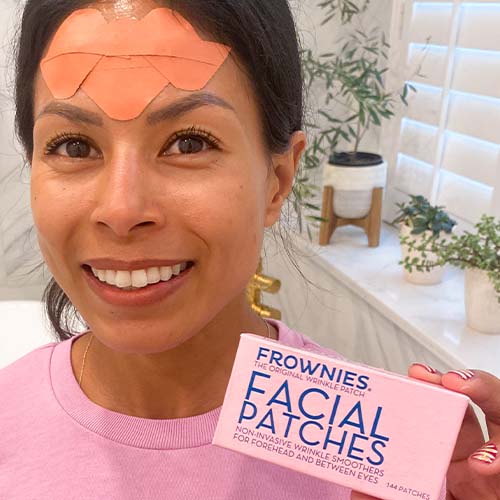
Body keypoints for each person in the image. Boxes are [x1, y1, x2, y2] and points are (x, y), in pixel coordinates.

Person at [0, 0, 498, 498]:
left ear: (277, 180)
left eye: (189, 143)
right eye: (74, 146)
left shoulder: (384, 459)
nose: (122, 209)